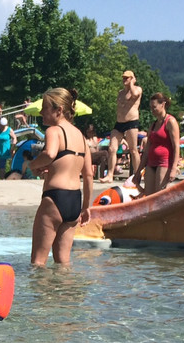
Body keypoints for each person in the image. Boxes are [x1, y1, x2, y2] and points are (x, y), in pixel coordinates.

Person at [28, 88, 92, 266]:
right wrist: (86, 207)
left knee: (38, 263)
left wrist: (32, 165)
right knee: (63, 263)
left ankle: (40, 287)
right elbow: (88, 174)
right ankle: (66, 286)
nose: (41, 112)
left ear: (59, 110)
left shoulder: (54, 131)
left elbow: (50, 153)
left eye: (45, 107)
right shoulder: (81, 136)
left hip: (55, 199)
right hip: (74, 201)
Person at [134, 93, 180, 196]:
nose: (152, 110)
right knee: (149, 196)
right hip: (151, 162)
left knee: (159, 195)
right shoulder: (153, 125)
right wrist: (138, 171)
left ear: (162, 104)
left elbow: (176, 146)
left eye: (154, 107)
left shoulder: (170, 122)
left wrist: (174, 168)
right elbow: (147, 149)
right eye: (151, 107)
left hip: (164, 162)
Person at [103, 70, 142, 183]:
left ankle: (137, 174)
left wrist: (132, 83)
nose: (124, 80)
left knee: (133, 150)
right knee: (112, 148)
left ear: (132, 79)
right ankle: (110, 174)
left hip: (131, 122)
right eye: (123, 78)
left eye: (127, 78)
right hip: (119, 122)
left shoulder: (137, 89)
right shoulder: (120, 93)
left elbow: (134, 95)